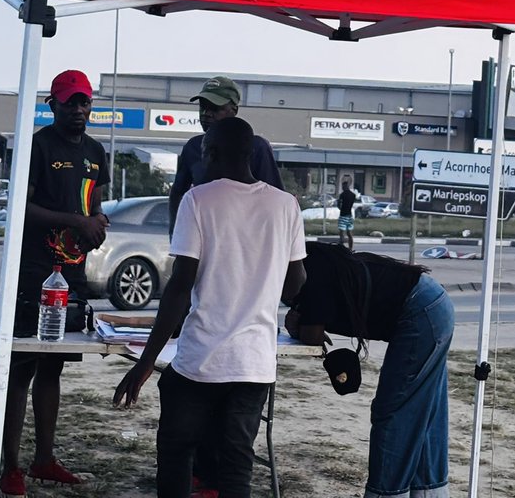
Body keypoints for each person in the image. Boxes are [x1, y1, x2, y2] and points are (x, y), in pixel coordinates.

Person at [113, 117, 306, 498]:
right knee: (236, 466)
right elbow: (297, 283)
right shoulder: (286, 205)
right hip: (254, 365)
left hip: (200, 362)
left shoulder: (198, 199)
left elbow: (180, 287)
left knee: (176, 451)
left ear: (210, 154)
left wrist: (146, 362)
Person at [0, 69, 109, 497]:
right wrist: (73, 221)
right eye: (70, 102)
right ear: (53, 104)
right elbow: (21, 208)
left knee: (53, 366)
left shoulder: (97, 151)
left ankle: (44, 459)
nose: (78, 110)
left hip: (72, 274)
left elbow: (94, 206)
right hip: (32, 270)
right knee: (22, 365)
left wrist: (97, 225)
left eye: (84, 102)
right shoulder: (38, 146)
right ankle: (11, 466)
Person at [285, 243, 454, 498]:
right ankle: (429, 492)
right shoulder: (314, 259)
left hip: (421, 310)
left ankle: (387, 493)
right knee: (424, 413)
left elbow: (312, 335)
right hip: (431, 302)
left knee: (394, 412)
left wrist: (297, 322)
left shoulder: (310, 274)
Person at [168, 75, 283, 234]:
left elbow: (276, 200)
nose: (206, 114)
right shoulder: (193, 147)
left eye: (215, 108)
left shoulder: (256, 147)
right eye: (203, 107)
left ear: (234, 110)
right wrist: (176, 233)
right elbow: (177, 193)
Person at [336, 178, 357, 250]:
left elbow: (339, 205)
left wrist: (340, 207)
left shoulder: (342, 195)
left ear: (344, 186)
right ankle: (350, 248)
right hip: (350, 215)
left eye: (342, 186)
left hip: (343, 215)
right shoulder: (353, 195)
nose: (342, 188)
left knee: (342, 233)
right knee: (349, 233)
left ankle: (341, 248)